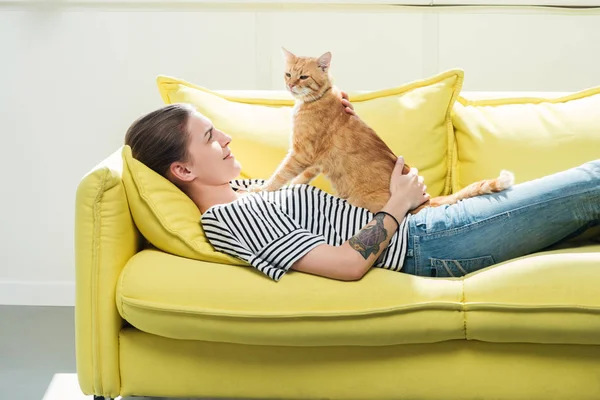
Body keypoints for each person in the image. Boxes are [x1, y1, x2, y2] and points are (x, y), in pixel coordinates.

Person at [124, 95, 600, 282]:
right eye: (210, 138)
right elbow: (348, 265)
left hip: (429, 226)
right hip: (429, 240)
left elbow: (313, 163)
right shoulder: (231, 216)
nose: (225, 139)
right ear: (182, 171)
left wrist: (333, 119)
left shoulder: (246, 191)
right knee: (593, 182)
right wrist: (399, 203)